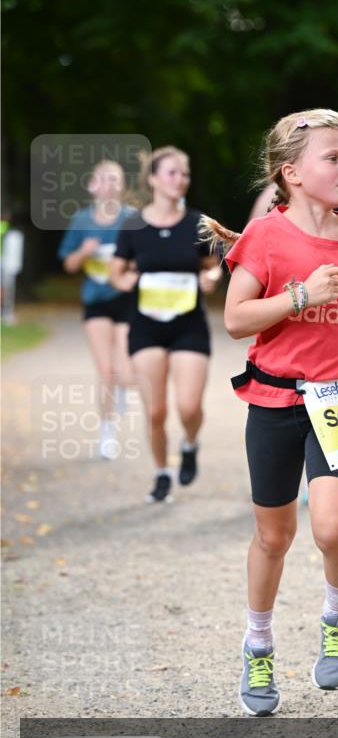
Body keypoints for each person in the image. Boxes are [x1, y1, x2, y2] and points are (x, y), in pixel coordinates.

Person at [201, 108, 338, 716]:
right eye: (332, 157)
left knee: (331, 528)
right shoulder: (265, 236)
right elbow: (236, 319)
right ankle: (258, 645)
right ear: (292, 173)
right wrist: (301, 295)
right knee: (274, 536)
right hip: (275, 400)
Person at [110, 146, 222, 503]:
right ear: (153, 179)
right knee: (155, 411)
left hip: (189, 325)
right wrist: (127, 281)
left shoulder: (196, 223)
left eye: (184, 173)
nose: (180, 179)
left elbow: (214, 266)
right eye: (172, 172)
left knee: (189, 407)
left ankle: (190, 443)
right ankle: (161, 473)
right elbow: (116, 272)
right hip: (147, 326)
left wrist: (211, 278)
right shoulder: (134, 225)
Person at [58, 161, 136, 458]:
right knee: (106, 370)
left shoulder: (132, 219)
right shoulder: (81, 220)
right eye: (103, 179)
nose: (109, 184)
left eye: (114, 179)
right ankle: (107, 432)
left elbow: (145, 257)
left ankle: (122, 388)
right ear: (92, 186)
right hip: (96, 301)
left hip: (126, 299)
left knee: (125, 372)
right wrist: (83, 252)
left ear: (122, 185)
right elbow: (68, 265)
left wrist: (130, 268)